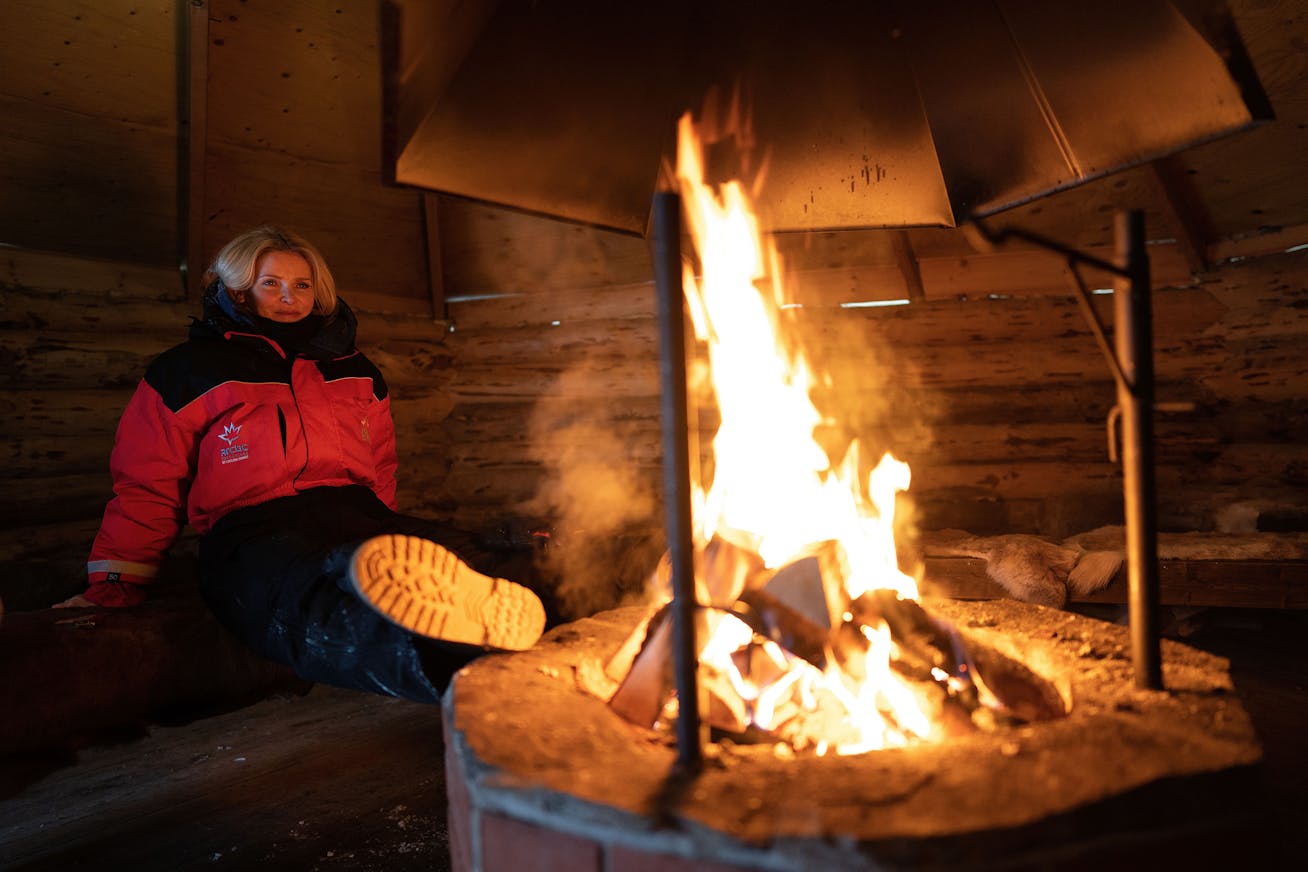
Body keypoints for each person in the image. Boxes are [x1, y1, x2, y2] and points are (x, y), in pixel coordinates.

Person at [63, 225, 546, 703]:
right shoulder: (187, 372)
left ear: (318, 293)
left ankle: (542, 602)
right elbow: (149, 485)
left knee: (459, 549)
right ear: (239, 289)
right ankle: (449, 658)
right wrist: (116, 584)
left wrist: (390, 533)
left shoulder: (355, 369)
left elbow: (380, 469)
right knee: (309, 593)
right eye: (270, 283)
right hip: (252, 532)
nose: (288, 297)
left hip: (355, 511)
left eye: (302, 285)